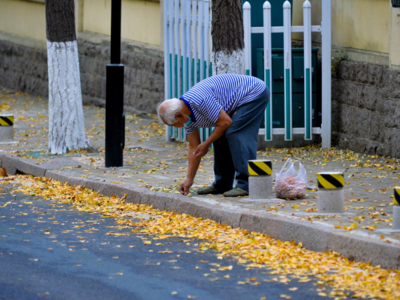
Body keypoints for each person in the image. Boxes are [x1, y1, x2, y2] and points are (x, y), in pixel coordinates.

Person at [157, 74, 269, 197]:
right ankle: (222, 184)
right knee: (219, 136)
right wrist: (189, 179)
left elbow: (226, 122)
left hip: (253, 92)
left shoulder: (199, 101)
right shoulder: (186, 116)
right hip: (237, 99)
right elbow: (194, 147)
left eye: (173, 125)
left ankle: (246, 184)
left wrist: (206, 143)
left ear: (179, 116)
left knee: (234, 132)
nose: (174, 127)